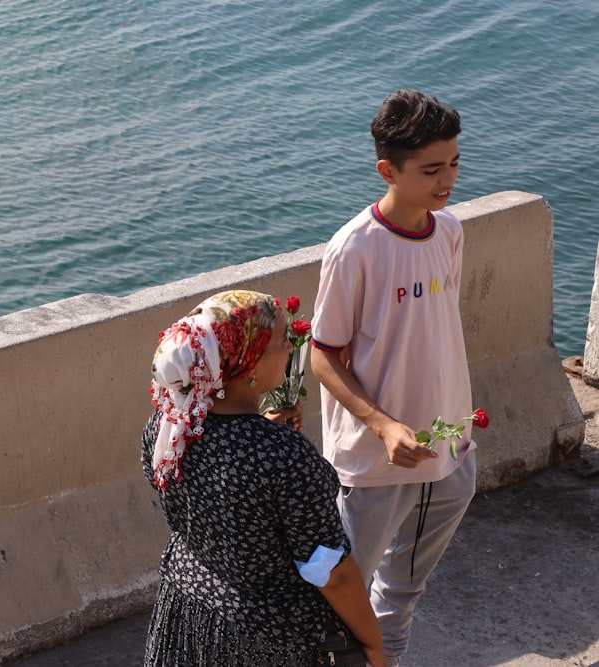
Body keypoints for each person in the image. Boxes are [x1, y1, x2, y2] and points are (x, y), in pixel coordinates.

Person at [310, 89, 478, 666]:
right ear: (388, 169)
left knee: (400, 596)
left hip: (452, 454)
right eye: (432, 169)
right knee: (341, 606)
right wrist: (383, 427)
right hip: (374, 466)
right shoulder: (354, 249)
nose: (447, 179)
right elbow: (322, 355)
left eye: (454, 163)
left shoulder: (450, 231)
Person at [141, 290, 384, 667]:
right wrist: (374, 645)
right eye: (282, 341)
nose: (290, 349)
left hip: (188, 613)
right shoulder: (282, 454)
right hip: (264, 639)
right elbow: (329, 571)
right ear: (247, 364)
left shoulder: (168, 424)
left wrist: (264, 433)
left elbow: (212, 493)